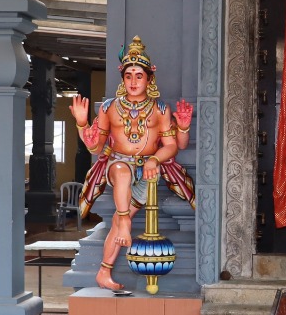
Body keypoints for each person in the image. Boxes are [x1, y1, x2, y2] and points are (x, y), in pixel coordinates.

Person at [71, 36, 194, 295]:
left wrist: (155, 158)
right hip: (118, 164)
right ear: (122, 79)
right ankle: (126, 222)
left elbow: (172, 146)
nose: (134, 82)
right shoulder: (109, 108)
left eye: (139, 76)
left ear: (150, 79)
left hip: (147, 171)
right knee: (121, 173)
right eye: (128, 76)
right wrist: (82, 124)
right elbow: (96, 147)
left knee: (117, 220)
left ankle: (104, 271)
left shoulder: (160, 109)